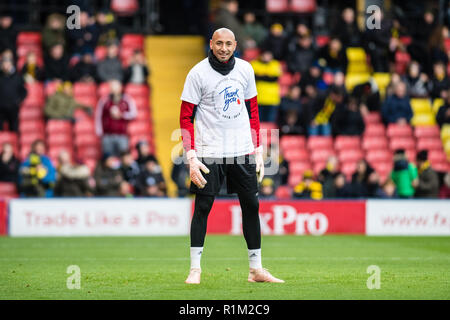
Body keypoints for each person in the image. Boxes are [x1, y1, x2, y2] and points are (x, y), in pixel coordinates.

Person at [179, 28, 283, 284]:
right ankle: (195, 269)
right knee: (203, 206)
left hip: (242, 150)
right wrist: (191, 156)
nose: (224, 48)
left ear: (235, 45)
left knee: (252, 206)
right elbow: (185, 117)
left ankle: (256, 270)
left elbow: (254, 111)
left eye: (228, 44)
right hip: (209, 151)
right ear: (211, 44)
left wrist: (258, 150)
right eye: (219, 43)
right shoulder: (197, 73)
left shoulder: (246, 70)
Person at [96, 79, 137, 156]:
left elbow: (133, 114)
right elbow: (98, 116)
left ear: (120, 88)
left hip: (122, 135)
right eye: (112, 88)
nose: (114, 90)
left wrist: (122, 115)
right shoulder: (104, 100)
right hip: (107, 135)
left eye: (116, 88)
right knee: (109, 158)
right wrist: (100, 132)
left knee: (123, 157)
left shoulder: (127, 99)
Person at [251, 49, 281, 122]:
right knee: (258, 123)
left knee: (271, 125)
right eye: (266, 55)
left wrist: (260, 75)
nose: (267, 57)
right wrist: (267, 76)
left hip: (272, 99)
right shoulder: (254, 64)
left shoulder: (275, 64)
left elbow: (274, 78)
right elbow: (253, 77)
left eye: (269, 55)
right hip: (258, 99)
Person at [0, 57, 27, 132]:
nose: (6, 65)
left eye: (8, 63)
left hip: (13, 108)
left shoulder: (17, 77)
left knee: (14, 129)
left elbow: (24, 91)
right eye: (4, 63)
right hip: (1, 108)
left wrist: (18, 100)